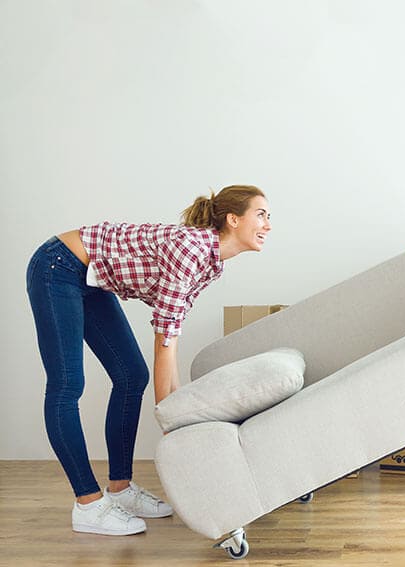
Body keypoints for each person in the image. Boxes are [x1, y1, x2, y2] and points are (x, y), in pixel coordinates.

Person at [26, 185, 272, 536]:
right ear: (234, 219)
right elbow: (164, 341)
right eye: (261, 214)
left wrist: (178, 411)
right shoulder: (192, 251)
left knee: (131, 375)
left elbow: (172, 334)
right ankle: (88, 504)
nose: (268, 225)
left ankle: (120, 489)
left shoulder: (211, 264)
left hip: (92, 279)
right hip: (59, 266)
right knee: (67, 385)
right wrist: (171, 422)